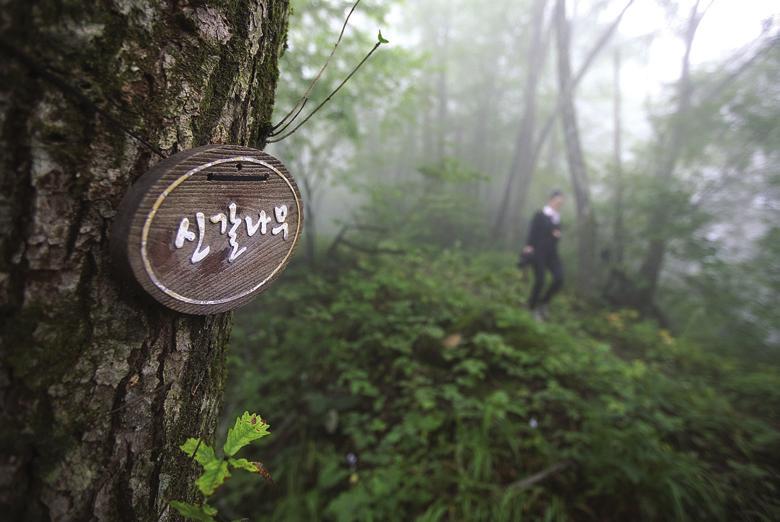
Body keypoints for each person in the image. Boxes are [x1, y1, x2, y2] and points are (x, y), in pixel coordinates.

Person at [522, 190, 564, 321]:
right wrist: (528, 247)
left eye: (561, 203)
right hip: (538, 252)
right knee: (540, 281)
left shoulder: (557, 217)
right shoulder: (540, 214)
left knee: (559, 278)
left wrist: (557, 236)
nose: (559, 204)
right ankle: (532, 307)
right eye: (558, 201)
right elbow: (532, 232)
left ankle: (544, 303)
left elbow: (555, 236)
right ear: (551, 200)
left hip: (552, 253)